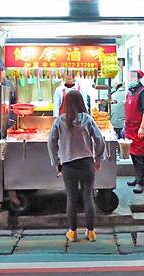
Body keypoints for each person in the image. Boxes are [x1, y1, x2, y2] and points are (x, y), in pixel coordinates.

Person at [48, 90, 106, 242]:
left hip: (68, 165)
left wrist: (56, 162)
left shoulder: (60, 121)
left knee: (71, 198)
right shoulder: (87, 119)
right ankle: (91, 232)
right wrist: (98, 158)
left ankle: (72, 232)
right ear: (81, 102)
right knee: (88, 197)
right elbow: (99, 140)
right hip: (87, 163)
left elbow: (51, 143)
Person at [124, 70, 144, 194]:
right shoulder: (129, 92)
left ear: (139, 79)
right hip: (129, 127)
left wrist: (141, 127)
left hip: (138, 127)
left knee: (139, 154)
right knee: (133, 153)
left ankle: (140, 182)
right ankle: (138, 178)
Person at [0, 60, 17, 127]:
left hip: (7, 123)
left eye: (1, 70)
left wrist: (12, 118)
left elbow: (14, 103)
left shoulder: (9, 85)